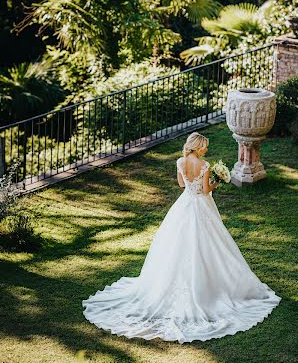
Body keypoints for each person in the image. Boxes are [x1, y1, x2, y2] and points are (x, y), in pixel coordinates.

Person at [82, 132, 281, 343]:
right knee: (210, 244)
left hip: (184, 205)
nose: (206, 150)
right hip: (201, 207)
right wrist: (216, 183)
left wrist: (197, 181)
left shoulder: (180, 161)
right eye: (204, 146)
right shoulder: (204, 165)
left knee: (174, 246)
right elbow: (205, 191)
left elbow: (181, 184)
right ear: (198, 147)